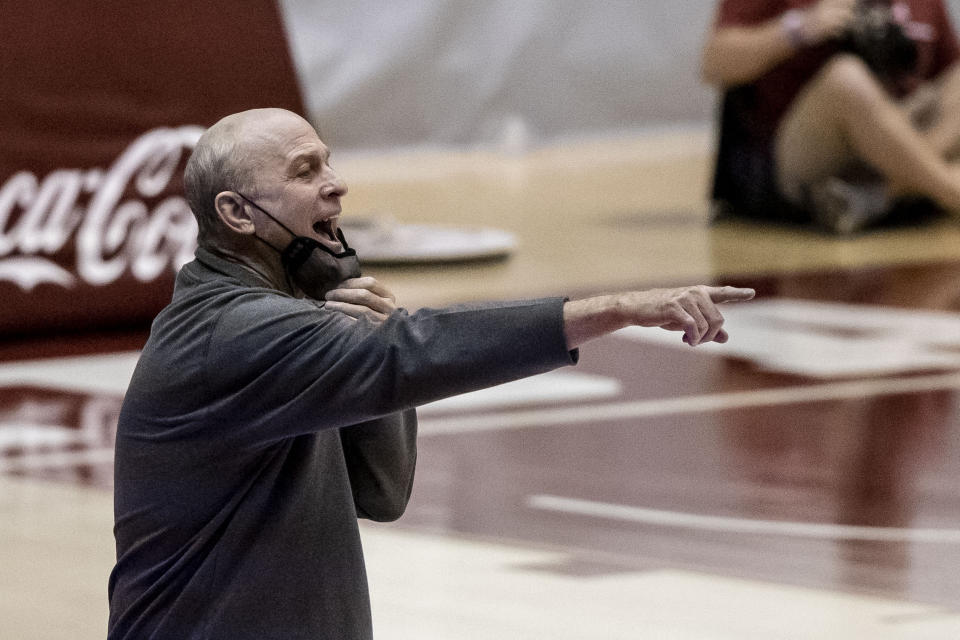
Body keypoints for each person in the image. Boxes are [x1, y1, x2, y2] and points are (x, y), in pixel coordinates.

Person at [106, 107, 755, 640]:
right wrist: (614, 309)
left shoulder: (295, 319)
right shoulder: (231, 334)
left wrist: (361, 334)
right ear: (237, 214)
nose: (336, 184)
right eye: (306, 171)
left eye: (329, 161)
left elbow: (383, 491)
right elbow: (413, 353)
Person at [703, 0, 960, 233]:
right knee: (846, 78)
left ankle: (874, 194)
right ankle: (946, 188)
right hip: (804, 146)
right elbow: (713, 63)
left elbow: (949, 75)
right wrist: (798, 28)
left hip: (899, 123)